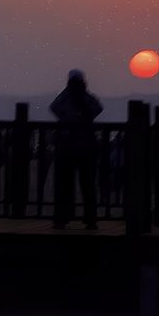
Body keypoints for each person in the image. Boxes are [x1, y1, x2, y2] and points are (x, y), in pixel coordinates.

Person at [50, 69, 103, 230]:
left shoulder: (65, 99)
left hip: (66, 146)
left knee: (63, 184)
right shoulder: (88, 99)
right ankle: (90, 219)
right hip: (86, 146)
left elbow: (54, 107)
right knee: (87, 184)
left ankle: (61, 218)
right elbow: (98, 108)